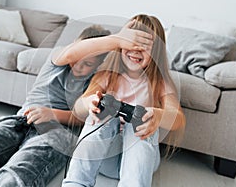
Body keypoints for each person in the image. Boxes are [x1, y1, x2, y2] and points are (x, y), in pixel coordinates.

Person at [0, 24, 151, 186]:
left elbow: (82, 118)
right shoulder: (57, 61)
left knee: (22, 170)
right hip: (21, 120)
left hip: (58, 132)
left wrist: (53, 114)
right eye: (78, 58)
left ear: (99, 64)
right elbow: (71, 54)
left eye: (88, 64)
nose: (79, 66)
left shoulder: (98, 81)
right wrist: (117, 39)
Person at [62, 14, 186, 187]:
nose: (136, 50)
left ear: (156, 52)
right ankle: (75, 183)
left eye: (144, 46)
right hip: (105, 157)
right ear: (120, 44)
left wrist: (157, 116)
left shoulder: (160, 84)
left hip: (142, 162)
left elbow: (177, 118)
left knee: (139, 118)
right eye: (131, 43)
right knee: (102, 110)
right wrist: (90, 102)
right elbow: (78, 108)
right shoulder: (107, 76)